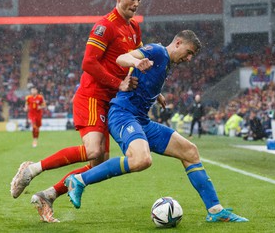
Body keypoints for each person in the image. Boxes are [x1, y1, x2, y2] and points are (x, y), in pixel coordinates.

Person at [10, 0, 163, 223]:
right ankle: (31, 169)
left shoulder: (134, 28)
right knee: (94, 150)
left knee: (97, 164)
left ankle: (48, 195)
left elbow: (139, 61)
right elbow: (88, 63)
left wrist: (154, 89)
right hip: (93, 96)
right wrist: (118, 83)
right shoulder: (105, 25)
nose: (136, 3)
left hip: (112, 101)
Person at [65, 30, 248, 222]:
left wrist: (156, 95)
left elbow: (146, 80)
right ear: (177, 43)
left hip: (141, 120)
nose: (189, 58)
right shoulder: (158, 51)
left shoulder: (166, 63)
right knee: (141, 159)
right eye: (189, 52)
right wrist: (136, 62)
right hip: (123, 115)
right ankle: (79, 180)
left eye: (192, 55)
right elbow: (122, 58)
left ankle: (215, 210)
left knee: (190, 151)